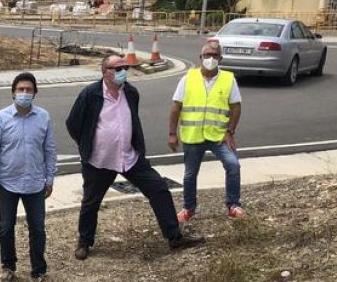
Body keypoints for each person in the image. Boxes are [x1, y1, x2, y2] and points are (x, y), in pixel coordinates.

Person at [66, 55, 203, 259]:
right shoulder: (90, 94)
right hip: (99, 160)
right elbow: (73, 123)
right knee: (91, 202)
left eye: (125, 67)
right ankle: (85, 242)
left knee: (159, 189)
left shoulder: (130, 92)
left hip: (129, 157)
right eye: (117, 68)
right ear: (105, 71)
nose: (123, 71)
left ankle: (174, 236)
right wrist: (87, 145)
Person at [0, 72, 59, 282]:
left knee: (38, 228)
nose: (25, 94)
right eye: (21, 90)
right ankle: (8, 267)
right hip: (7, 183)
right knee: (6, 228)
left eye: (29, 90)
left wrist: (49, 178)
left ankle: (38, 273)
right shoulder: (0, 118)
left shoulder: (43, 117)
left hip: (35, 183)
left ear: (35, 92)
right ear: (13, 92)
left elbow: (50, 150)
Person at [168, 41, 245, 221]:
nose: (210, 59)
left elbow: (236, 107)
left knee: (233, 165)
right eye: (207, 55)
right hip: (193, 137)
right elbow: (175, 107)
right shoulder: (188, 78)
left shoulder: (228, 79)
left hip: (218, 136)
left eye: (214, 55)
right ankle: (188, 208)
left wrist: (230, 132)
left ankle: (233, 205)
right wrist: (172, 134)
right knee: (189, 174)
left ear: (220, 58)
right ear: (200, 57)